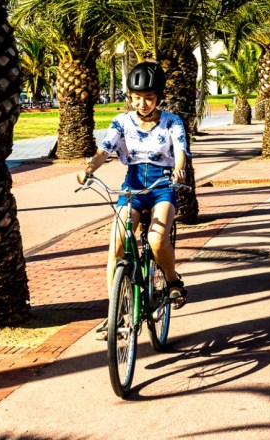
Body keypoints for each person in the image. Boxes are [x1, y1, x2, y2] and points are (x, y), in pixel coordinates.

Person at [77, 63, 190, 338]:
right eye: (137, 97)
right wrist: (89, 168)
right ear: (130, 96)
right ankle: (114, 315)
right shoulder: (122, 122)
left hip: (162, 184)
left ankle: (173, 281)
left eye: (149, 98)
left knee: (155, 239)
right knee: (116, 243)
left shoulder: (172, 121)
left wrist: (179, 168)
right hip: (133, 184)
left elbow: (180, 150)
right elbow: (104, 150)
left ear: (159, 98)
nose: (142, 103)